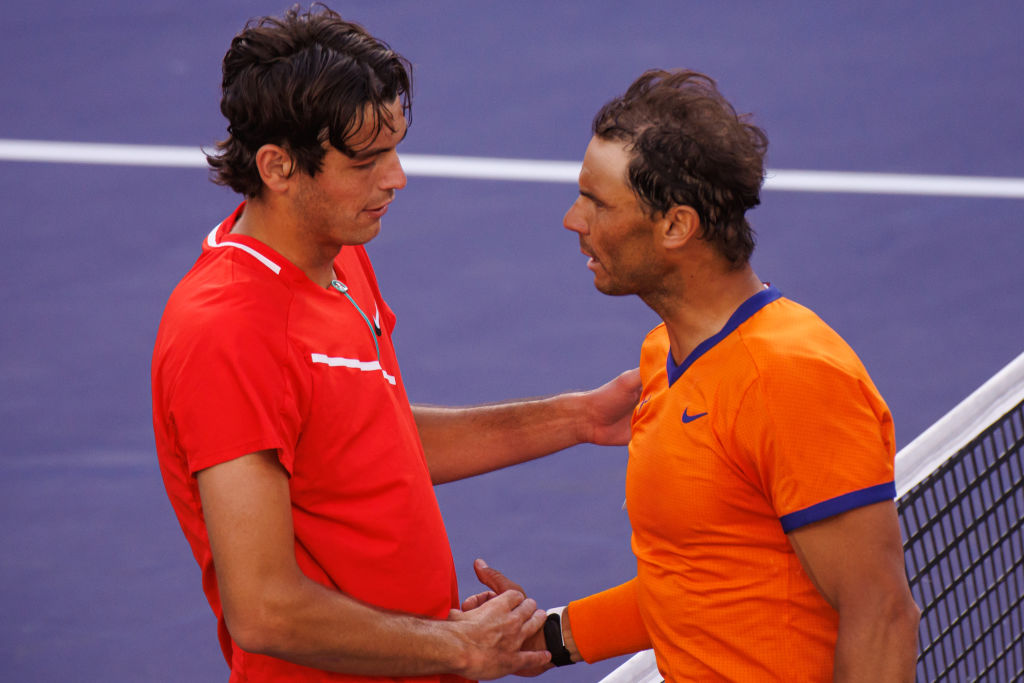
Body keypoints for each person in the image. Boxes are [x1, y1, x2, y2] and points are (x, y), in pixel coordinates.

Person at [149, 6, 640, 682]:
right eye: (367, 160)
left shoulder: (337, 254)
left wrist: (578, 417)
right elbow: (264, 609)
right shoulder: (226, 332)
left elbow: (362, 441)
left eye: (396, 148)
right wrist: (460, 645)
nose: (396, 177)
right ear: (277, 166)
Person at [472, 69, 921, 680]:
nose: (572, 219)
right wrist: (550, 637)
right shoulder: (665, 353)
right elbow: (701, 579)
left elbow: (882, 614)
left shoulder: (788, 378)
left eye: (597, 202)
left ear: (676, 226)